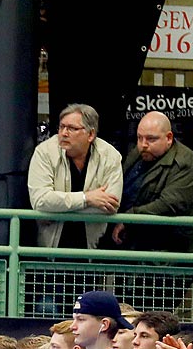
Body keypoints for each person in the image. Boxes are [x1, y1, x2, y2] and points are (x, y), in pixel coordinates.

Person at [26, 103, 123, 250]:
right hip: (50, 251)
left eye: (72, 128)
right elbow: (40, 201)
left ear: (91, 134)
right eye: (61, 127)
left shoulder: (110, 156)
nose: (64, 133)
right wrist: (86, 199)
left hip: (93, 249)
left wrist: (58, 205)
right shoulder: (44, 152)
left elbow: (110, 205)